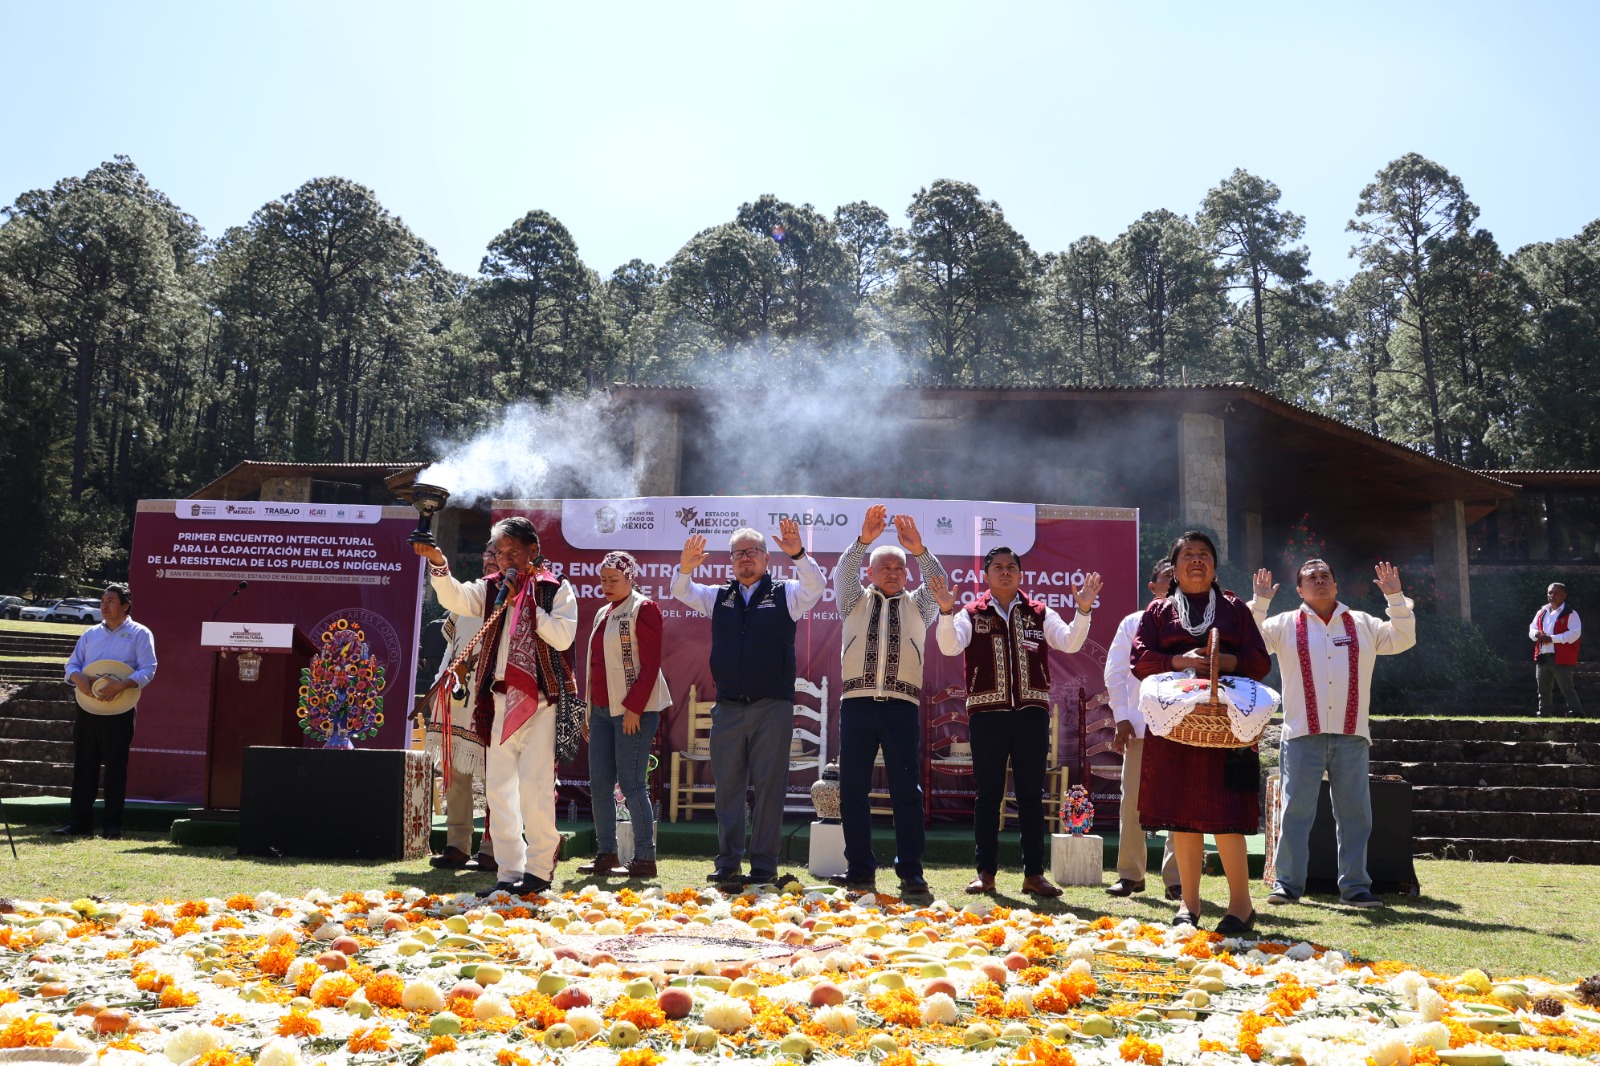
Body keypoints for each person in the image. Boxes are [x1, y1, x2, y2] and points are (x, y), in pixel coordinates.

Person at [415, 517, 578, 897]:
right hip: (498, 701)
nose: (504, 559)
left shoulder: (557, 590)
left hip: (541, 703)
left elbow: (562, 635)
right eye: (499, 552)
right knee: (499, 791)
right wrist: (439, 563)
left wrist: (525, 605)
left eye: (513, 552)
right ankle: (508, 872)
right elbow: (453, 598)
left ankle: (538, 871)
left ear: (532, 552)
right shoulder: (490, 590)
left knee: (534, 789)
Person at [932, 547, 1103, 898]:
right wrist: (946, 611)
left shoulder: (1039, 612)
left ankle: (1034, 875)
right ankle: (985, 873)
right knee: (988, 795)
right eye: (998, 567)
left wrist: (1083, 609)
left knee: (1029, 795)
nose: (1005, 572)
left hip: (1031, 715)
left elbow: (1070, 641)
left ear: (1021, 574)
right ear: (987, 574)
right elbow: (949, 647)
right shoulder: (970, 613)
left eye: (1012, 566)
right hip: (987, 715)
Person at [1252, 559, 1415, 909]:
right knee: (1295, 811)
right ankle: (1287, 886)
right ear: (1299, 590)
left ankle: (1356, 887)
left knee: (1355, 813)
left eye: (1326, 576)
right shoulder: (1282, 624)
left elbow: (1403, 638)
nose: (1320, 581)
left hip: (1351, 732)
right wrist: (1260, 604)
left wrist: (1395, 597)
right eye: (1312, 578)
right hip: (1301, 732)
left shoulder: (1363, 623)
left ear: (1336, 585)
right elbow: (1249, 643)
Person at [672, 518, 825, 886]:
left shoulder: (787, 592)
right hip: (727, 706)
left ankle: (764, 866)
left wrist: (800, 555)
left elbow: (815, 586)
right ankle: (727, 864)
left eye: (752, 552)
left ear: (767, 558)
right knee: (727, 788)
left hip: (772, 706)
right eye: (738, 553)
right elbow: (681, 591)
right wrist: (685, 569)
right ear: (730, 561)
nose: (745, 559)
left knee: (770, 788)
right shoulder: (717, 596)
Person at [1131, 531, 1269, 935]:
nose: (1196, 560)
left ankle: (1241, 907)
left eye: (1204, 555)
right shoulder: (1158, 612)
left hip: (1226, 726)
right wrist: (1179, 659)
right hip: (1174, 727)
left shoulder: (1233, 608)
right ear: (1173, 569)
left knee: (1226, 816)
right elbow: (1140, 660)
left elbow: (1259, 662)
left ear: (1214, 566)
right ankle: (1188, 906)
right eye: (1187, 555)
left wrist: (1220, 661)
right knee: (1182, 816)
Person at [829, 504, 949, 896]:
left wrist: (920, 550)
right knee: (852, 789)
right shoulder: (853, 600)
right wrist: (864, 540)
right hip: (858, 704)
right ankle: (860, 870)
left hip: (902, 707)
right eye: (886, 568)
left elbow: (939, 584)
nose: (894, 574)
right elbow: (842, 571)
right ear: (871, 573)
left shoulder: (921, 605)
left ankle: (911, 872)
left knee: (906, 791)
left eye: (901, 569)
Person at [578, 550, 670, 880]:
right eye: (603, 579)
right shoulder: (603, 612)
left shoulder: (644, 608)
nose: (606, 585)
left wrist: (635, 708)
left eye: (613, 579)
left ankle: (645, 857)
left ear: (630, 578)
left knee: (631, 785)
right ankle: (607, 854)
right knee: (600, 784)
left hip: (633, 711)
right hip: (601, 711)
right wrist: (589, 711)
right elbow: (595, 667)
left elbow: (650, 664)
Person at [1104, 560, 1181, 900]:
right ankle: (1131, 874)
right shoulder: (1133, 622)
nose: (1174, 583)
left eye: (1177, 578)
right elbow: (1115, 673)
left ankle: (1178, 878)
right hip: (1139, 727)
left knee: (1182, 804)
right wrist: (1121, 717)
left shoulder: (1198, 623)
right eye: (1167, 578)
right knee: (1132, 801)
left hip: (1183, 728)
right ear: (1153, 587)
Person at [56, 584, 157, 840]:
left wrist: (123, 684)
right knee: (84, 765)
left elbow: (148, 668)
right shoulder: (90, 633)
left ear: (126, 605)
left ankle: (112, 825)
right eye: (102, 600)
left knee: (115, 768)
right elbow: (72, 663)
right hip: (88, 706)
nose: (104, 605)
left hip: (120, 708)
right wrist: (77, 677)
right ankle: (78, 822)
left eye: (111, 600)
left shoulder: (139, 633)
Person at [420, 546, 498, 871]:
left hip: (492, 698)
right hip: (456, 697)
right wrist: (437, 686)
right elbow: (451, 650)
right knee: (454, 774)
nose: (492, 559)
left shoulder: (514, 601)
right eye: (489, 554)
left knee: (496, 778)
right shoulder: (468, 597)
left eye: (500, 554)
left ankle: (493, 848)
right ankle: (457, 845)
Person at [1529, 582, 1582, 717]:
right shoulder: (1541, 612)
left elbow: (1575, 634)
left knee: (1567, 688)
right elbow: (1532, 628)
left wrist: (1552, 638)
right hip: (1543, 655)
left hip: (1561, 656)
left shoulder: (1571, 613)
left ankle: (1575, 712)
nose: (1552, 595)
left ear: (1564, 595)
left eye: (1556, 593)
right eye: (1550, 593)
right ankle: (1544, 713)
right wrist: (1536, 634)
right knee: (1543, 689)